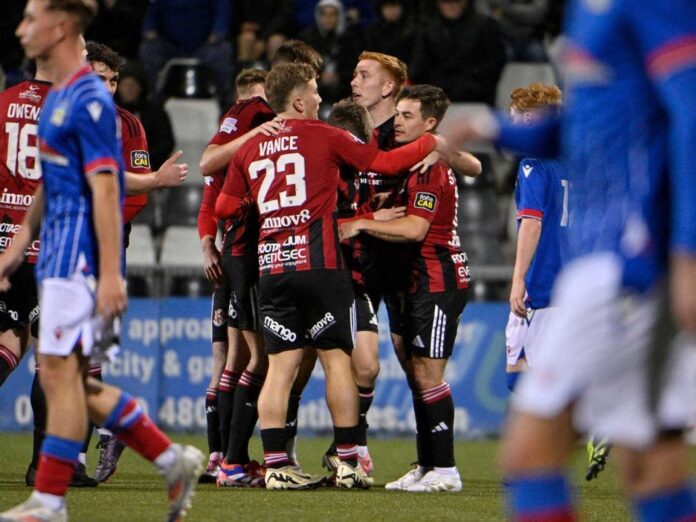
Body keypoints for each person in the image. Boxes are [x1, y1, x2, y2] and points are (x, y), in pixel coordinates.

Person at [450, 0, 696, 518]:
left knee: (529, 455)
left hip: (630, 259)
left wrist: (687, 253)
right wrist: (493, 128)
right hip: (600, 260)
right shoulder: (589, 12)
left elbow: (690, 115)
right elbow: (587, 130)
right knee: (649, 463)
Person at [0, 1, 203, 520]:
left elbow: (106, 186)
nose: (21, 28)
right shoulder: (61, 99)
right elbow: (48, 187)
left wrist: (110, 272)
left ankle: (52, 498)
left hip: (77, 262)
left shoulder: (89, 100)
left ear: (61, 27)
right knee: (69, 382)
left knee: (62, 379)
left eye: (31, 18)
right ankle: (169, 458)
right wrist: (13, 253)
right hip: (52, 260)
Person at [215, 62, 447, 490]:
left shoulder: (249, 149)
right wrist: (432, 140)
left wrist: (268, 210)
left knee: (280, 369)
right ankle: (346, 461)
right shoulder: (324, 134)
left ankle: (277, 465)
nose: (321, 98)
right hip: (320, 266)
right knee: (337, 361)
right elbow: (383, 161)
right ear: (299, 100)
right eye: (316, 91)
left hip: (272, 268)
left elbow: (224, 208)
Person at [340, 84, 469, 493]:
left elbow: (415, 229)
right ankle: (427, 465)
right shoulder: (408, 162)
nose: (397, 121)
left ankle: (446, 470)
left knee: (429, 374)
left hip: (437, 278)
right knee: (416, 376)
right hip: (409, 282)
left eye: (407, 115)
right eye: (397, 114)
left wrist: (361, 223)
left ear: (430, 124)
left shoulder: (431, 166)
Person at [197, 68, 275, 486]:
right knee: (246, 359)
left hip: (233, 256)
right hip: (246, 257)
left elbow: (211, 200)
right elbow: (215, 202)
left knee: (231, 360)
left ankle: (223, 457)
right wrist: (210, 243)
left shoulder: (238, 146)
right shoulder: (251, 122)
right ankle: (230, 458)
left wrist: (210, 243)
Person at [503, 83, 564, 393]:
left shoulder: (533, 164)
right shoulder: (576, 161)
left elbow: (532, 223)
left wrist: (519, 279)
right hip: (576, 276)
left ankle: (597, 434)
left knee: (544, 381)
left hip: (544, 278)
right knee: (519, 367)